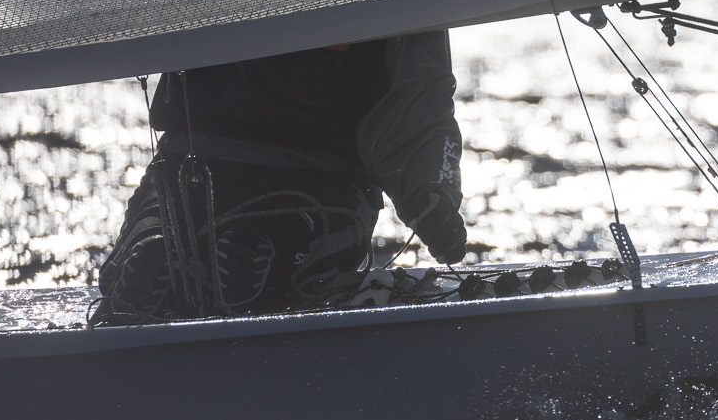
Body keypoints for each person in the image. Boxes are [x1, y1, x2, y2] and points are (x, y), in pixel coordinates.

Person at [92, 33, 470, 323]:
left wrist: (430, 194)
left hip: (322, 185)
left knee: (246, 263)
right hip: (187, 169)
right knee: (149, 266)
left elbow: (420, 105)